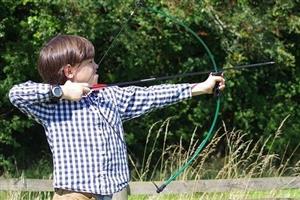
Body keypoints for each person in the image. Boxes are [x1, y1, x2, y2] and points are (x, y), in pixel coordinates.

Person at [9, 35, 225, 200]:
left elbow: (151, 95)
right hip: (74, 196)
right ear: (69, 71)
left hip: (114, 194)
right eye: (90, 62)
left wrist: (201, 88)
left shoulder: (109, 96)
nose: (96, 65)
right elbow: (16, 94)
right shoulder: (52, 106)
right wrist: (62, 93)